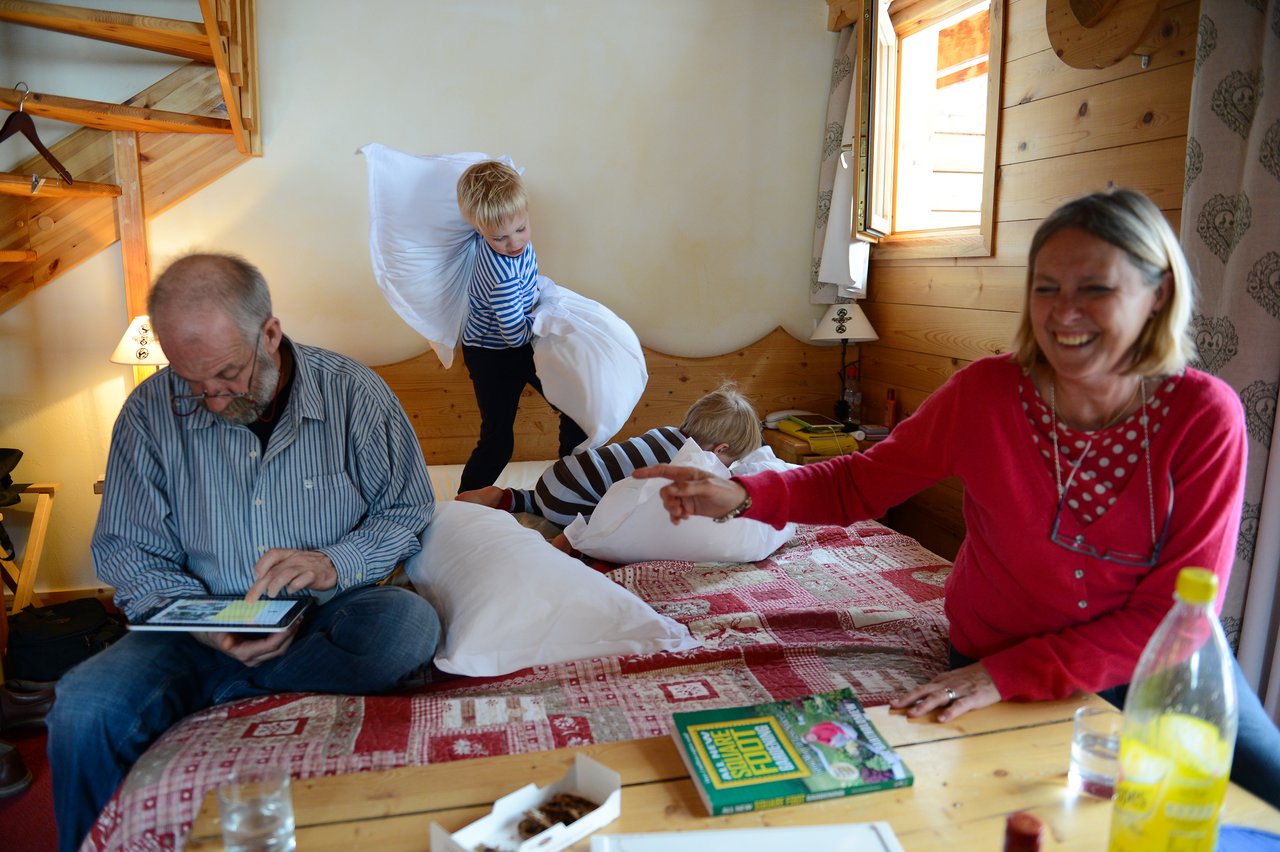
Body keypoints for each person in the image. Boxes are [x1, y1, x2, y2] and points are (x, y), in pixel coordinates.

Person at [635, 188, 1280, 807]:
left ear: (1156, 295)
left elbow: (1178, 610)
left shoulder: (1203, 416)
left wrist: (1004, 676)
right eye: (1046, 289)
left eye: (1096, 289)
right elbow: (858, 480)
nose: (1063, 312)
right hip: (996, 648)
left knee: (1265, 793)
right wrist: (743, 492)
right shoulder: (987, 394)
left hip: (1151, 663)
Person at [47, 253, 442, 851]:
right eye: (191, 381)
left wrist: (332, 560)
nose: (210, 400)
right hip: (193, 627)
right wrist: (201, 623)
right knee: (81, 708)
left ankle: (228, 692)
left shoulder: (354, 395)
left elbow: (407, 509)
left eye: (228, 375)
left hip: (327, 616)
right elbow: (128, 550)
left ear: (271, 333)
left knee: (408, 624)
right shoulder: (148, 415)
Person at [456, 384, 762, 547]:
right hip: (573, 500)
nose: (728, 468)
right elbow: (646, 508)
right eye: (729, 461)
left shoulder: (665, 433)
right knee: (614, 517)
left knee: (554, 497)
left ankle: (507, 497)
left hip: (556, 477)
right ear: (719, 449)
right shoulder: (686, 462)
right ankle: (571, 541)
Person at [455, 160, 587, 492]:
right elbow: (513, 333)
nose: (514, 242)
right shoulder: (500, 274)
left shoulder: (514, 244)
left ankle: (569, 485)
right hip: (493, 355)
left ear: (526, 215)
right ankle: (465, 504)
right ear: (479, 230)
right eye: (500, 237)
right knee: (498, 442)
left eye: (521, 229)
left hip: (518, 343)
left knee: (577, 410)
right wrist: (545, 320)